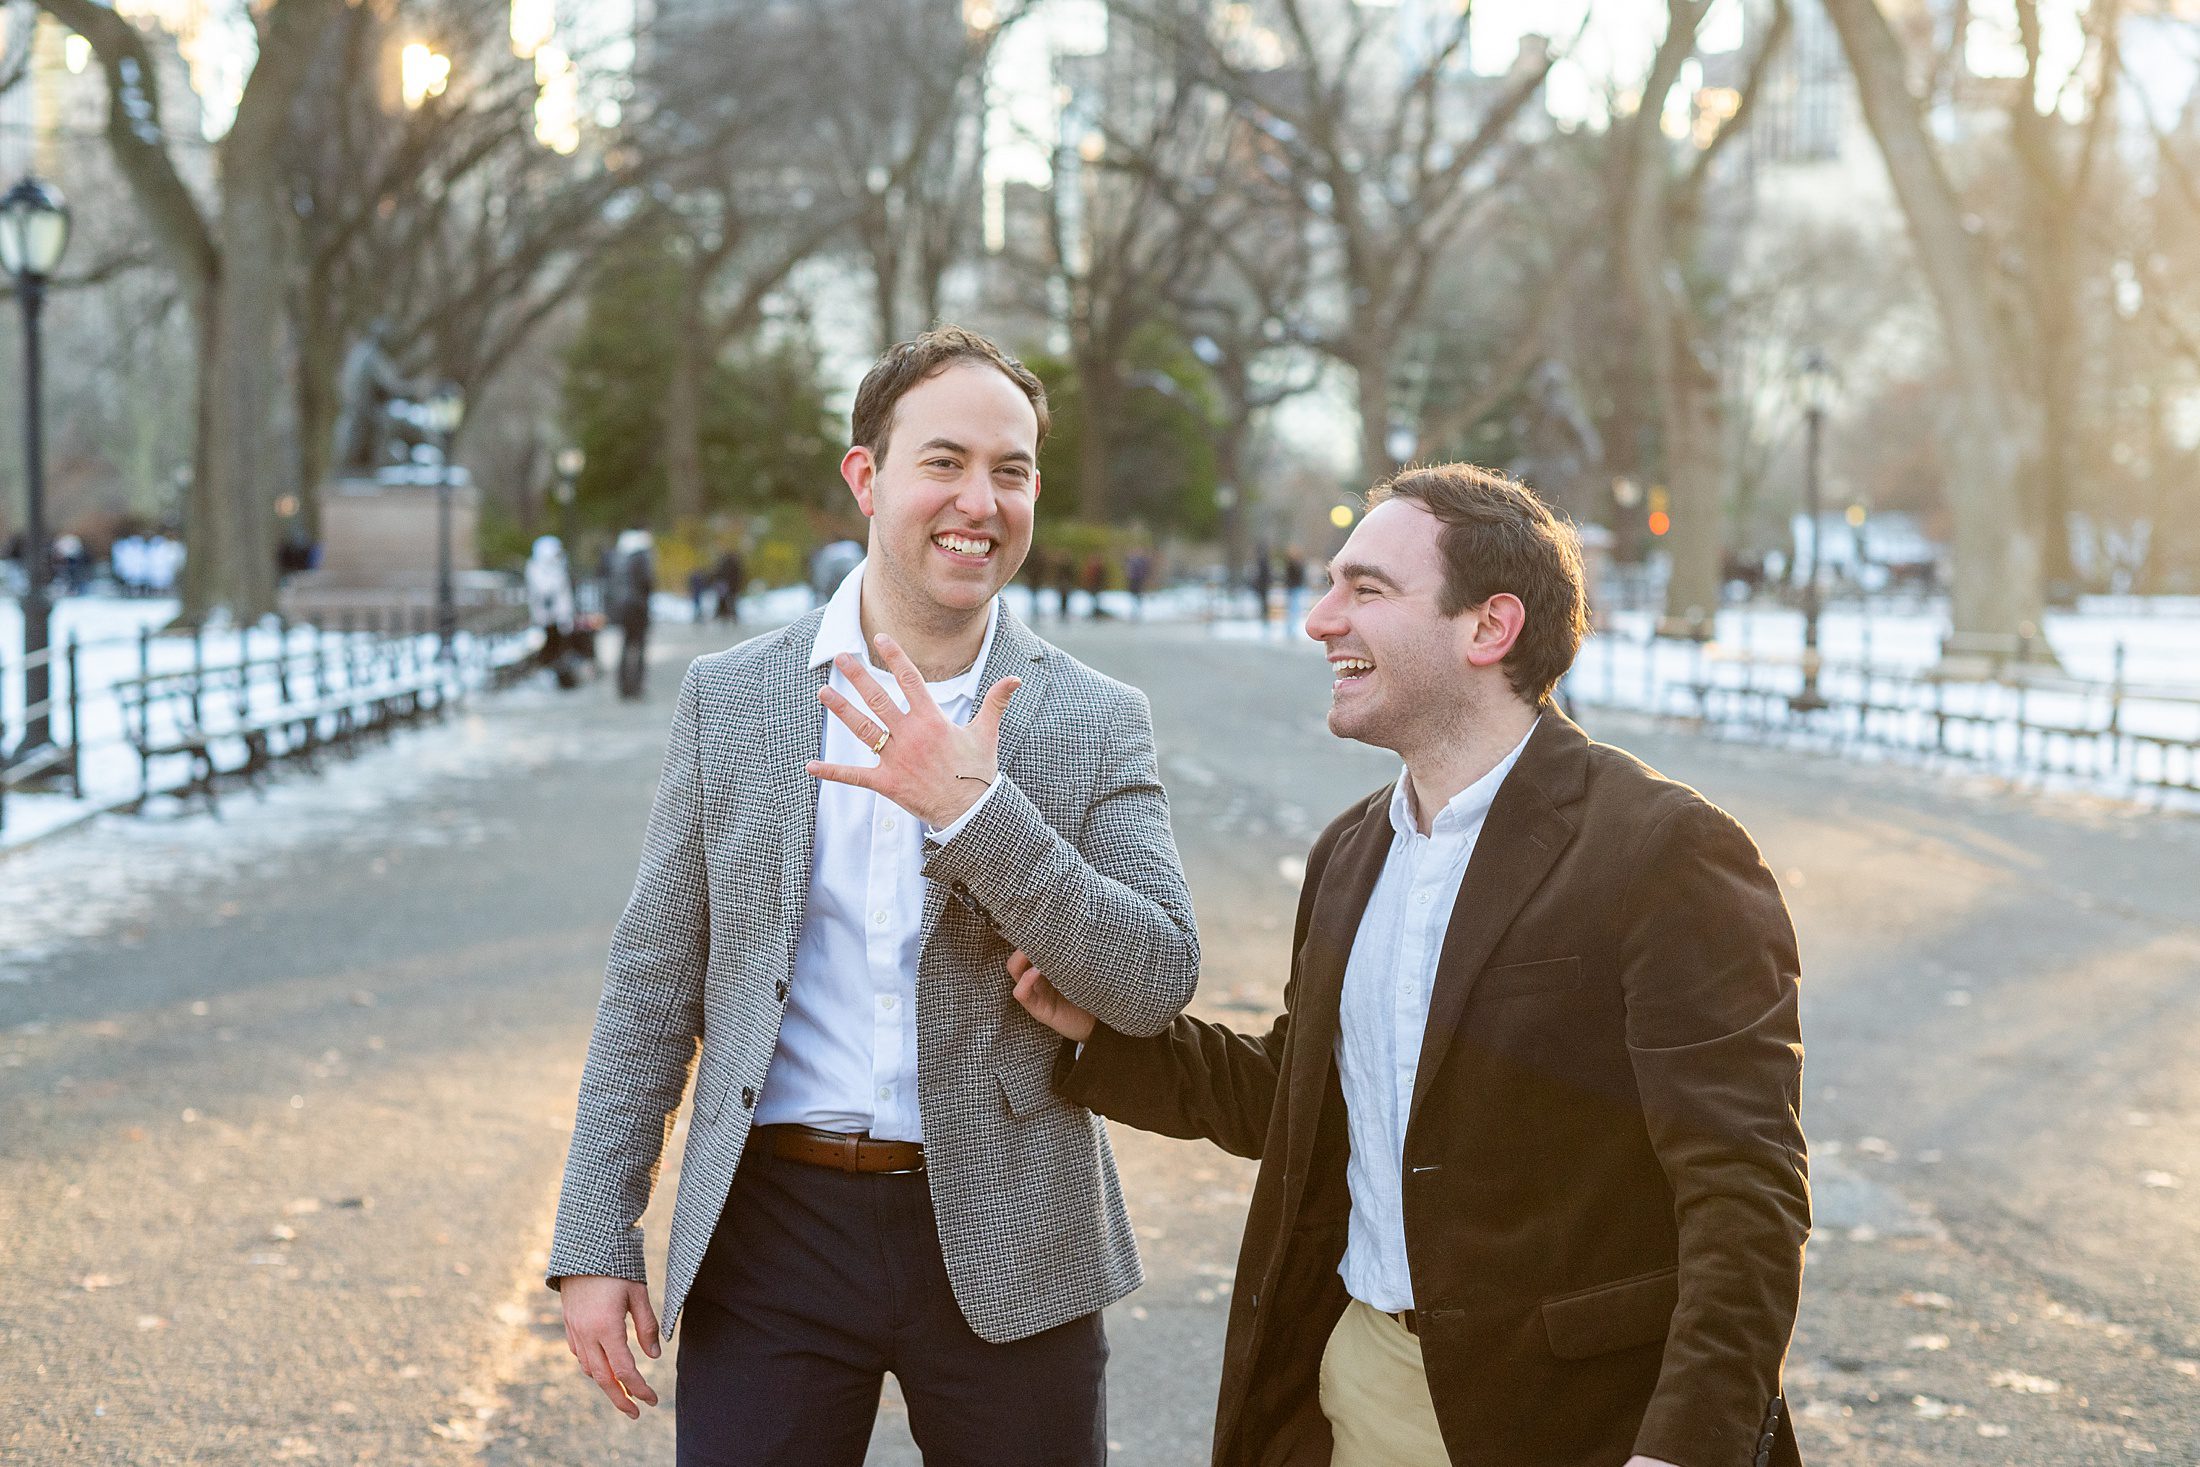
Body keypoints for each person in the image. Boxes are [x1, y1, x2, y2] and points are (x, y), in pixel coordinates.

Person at [1010, 463, 1809, 1467]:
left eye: (1365, 590)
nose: (1318, 619)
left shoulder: (1663, 851)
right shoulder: (1352, 854)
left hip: (1578, 1420)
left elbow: (1745, 1193)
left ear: (1489, 628)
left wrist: (1682, 1450)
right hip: (1363, 1388)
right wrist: (1108, 1040)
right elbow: (1296, 1098)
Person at [548, 325, 1201, 1467]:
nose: (980, 502)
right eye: (943, 462)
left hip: (1013, 1235)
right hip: (773, 1233)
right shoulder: (734, 699)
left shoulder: (1096, 716)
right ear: (867, 476)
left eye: (1012, 471)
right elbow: (655, 978)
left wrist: (978, 816)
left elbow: (1152, 983)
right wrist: (596, 1234)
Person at [525, 535, 580, 688]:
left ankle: (564, 677)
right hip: (548, 618)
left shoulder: (559, 567)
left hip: (561, 617)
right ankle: (553, 677)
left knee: (563, 647)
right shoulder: (537, 569)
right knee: (551, 648)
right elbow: (544, 590)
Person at [609, 528, 655, 700]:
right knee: (638, 647)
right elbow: (647, 582)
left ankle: (624, 685)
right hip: (637, 608)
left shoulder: (619, 559)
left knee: (626, 646)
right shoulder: (641, 558)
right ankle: (635, 685)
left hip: (623, 609)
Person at [712, 547, 746, 625]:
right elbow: (739, 577)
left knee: (727, 602)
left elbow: (718, 575)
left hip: (727, 587)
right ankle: (731, 617)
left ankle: (727, 616)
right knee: (731, 602)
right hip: (731, 587)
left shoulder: (724, 566)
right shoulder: (735, 566)